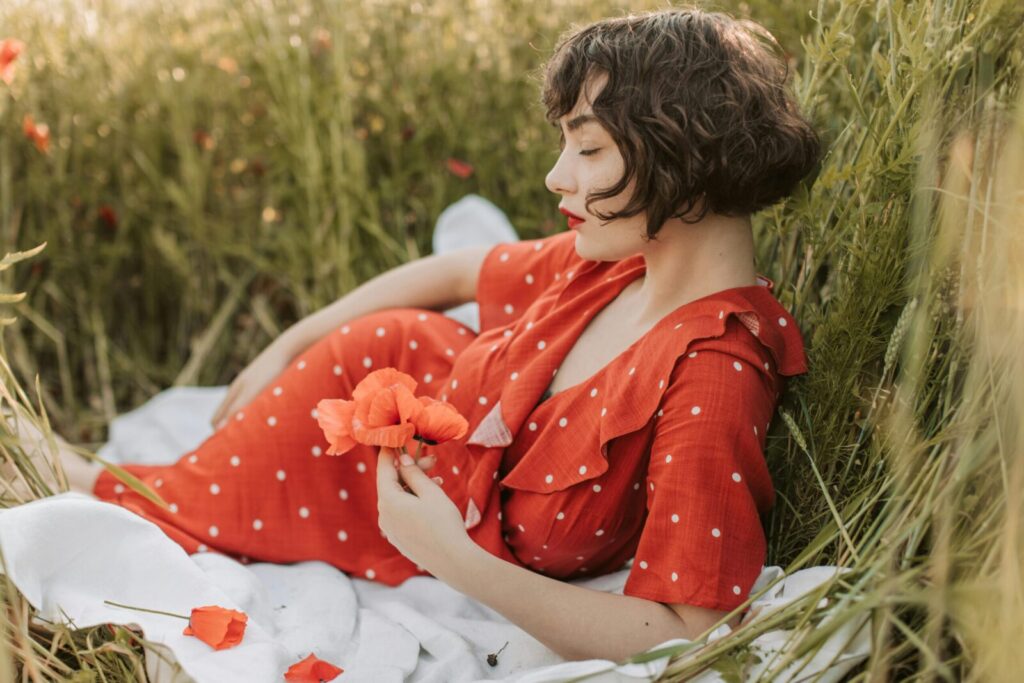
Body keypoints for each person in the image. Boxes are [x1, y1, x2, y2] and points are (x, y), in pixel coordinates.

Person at [8, 6, 819, 661]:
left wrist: (455, 561)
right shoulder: (624, 261)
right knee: (164, 501)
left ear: (683, 156)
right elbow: (466, 270)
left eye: (589, 147)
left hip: (415, 493)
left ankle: (52, 459)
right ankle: (57, 462)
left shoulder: (712, 367)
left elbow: (687, 627)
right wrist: (295, 338)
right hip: (381, 394)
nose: (555, 175)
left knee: (161, 500)